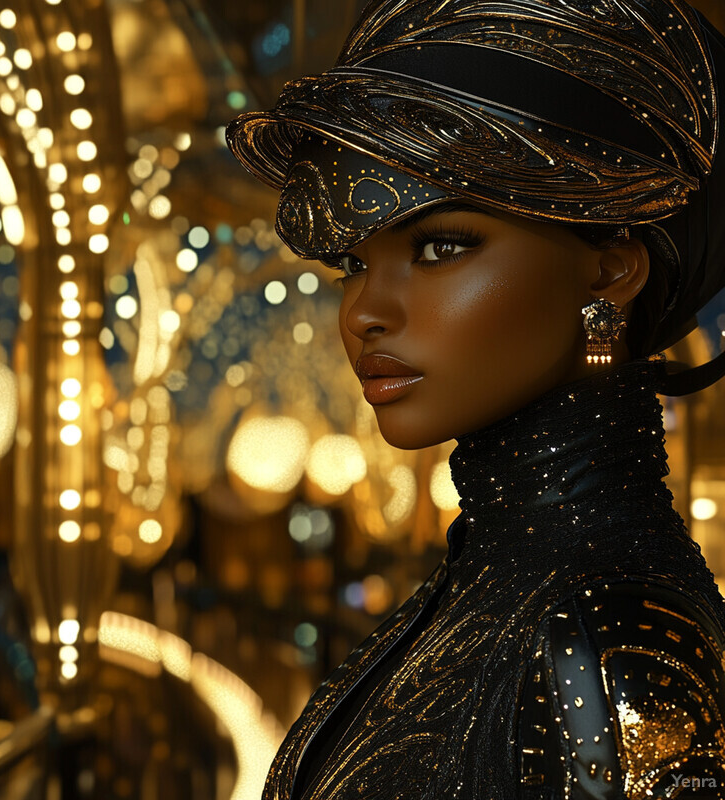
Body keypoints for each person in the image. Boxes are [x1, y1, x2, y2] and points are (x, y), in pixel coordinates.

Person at [227, 0, 725, 796]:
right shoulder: (485, 579)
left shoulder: (603, 633)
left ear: (609, 270)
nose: (364, 313)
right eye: (354, 264)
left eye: (441, 246)